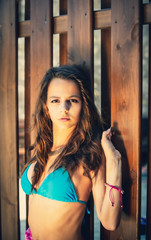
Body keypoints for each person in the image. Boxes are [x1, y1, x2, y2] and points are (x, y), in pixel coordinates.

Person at [21, 64, 122, 240]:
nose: (64, 107)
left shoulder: (89, 154)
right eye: (55, 100)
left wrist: (114, 160)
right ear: (46, 106)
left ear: (83, 105)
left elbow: (110, 221)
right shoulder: (43, 149)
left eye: (73, 100)